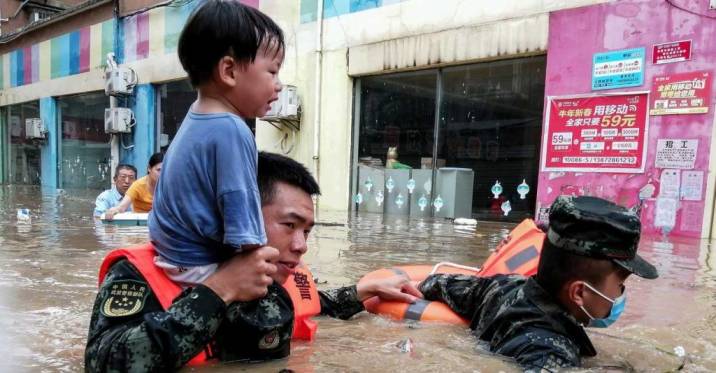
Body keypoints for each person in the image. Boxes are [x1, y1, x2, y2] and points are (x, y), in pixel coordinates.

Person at [84, 152, 422, 371]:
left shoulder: (277, 276)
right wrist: (218, 291)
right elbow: (103, 363)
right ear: (237, 214)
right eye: (289, 225)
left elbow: (312, 306)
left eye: (307, 230)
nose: (302, 245)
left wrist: (363, 290)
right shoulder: (142, 273)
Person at [418, 195, 659, 371]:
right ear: (579, 293)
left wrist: (415, 286)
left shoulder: (502, 286)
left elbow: (438, 283)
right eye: (620, 285)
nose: (621, 295)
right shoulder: (551, 353)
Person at [147, 0, 284, 286]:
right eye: (272, 71)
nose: (279, 84)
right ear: (229, 71)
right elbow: (244, 224)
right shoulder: (232, 129)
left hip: (172, 258)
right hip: (200, 267)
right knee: (277, 300)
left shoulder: (196, 118)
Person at [105, 153, 163, 219]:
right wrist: (114, 210)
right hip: (140, 224)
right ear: (149, 168)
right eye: (159, 170)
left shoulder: (170, 186)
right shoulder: (138, 185)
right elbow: (122, 206)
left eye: (165, 170)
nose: (162, 173)